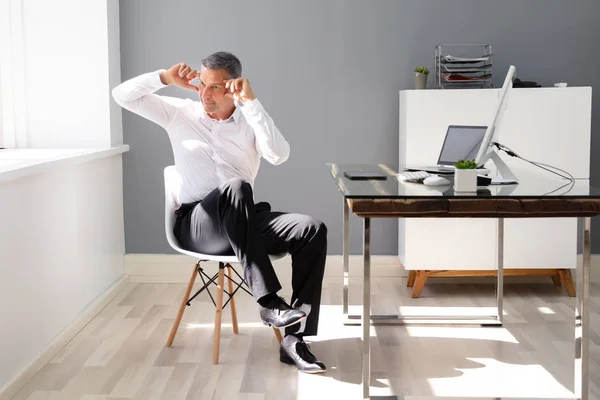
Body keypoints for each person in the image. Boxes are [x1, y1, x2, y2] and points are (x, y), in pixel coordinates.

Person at [112, 51, 327, 373]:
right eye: (202, 84)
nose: (204, 94)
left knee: (311, 228)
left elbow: (279, 155)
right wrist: (164, 79)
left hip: (242, 222)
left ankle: (294, 339)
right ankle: (269, 302)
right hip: (199, 225)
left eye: (214, 88)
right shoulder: (178, 113)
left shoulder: (249, 121)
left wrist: (252, 104)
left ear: (232, 87)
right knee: (236, 186)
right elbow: (122, 96)